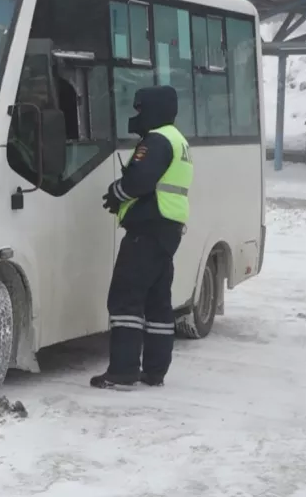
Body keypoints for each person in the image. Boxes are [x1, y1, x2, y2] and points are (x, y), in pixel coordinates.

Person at [91, 85, 194, 390]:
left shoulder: (157, 140)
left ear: (153, 109)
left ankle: (123, 371)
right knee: (158, 302)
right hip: (167, 230)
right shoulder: (178, 140)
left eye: (140, 108)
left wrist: (116, 193)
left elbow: (140, 179)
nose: (136, 115)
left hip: (147, 230)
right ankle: (155, 371)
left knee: (126, 297)